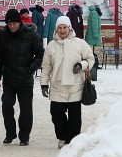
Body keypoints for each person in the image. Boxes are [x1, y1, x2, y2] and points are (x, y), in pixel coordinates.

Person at [40, 16, 94, 149]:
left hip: (75, 85)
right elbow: (46, 67)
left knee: (75, 117)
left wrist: (81, 65)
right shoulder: (51, 46)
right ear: (56, 29)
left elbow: (91, 59)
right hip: (57, 87)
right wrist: (44, 83)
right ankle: (62, 137)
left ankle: (72, 141)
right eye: (60, 27)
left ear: (70, 28)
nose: (62, 30)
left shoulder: (80, 43)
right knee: (56, 115)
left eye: (65, 27)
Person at [0, 9, 44, 146]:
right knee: (7, 105)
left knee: (26, 109)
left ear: (19, 22)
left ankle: (24, 136)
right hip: (9, 79)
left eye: (14, 23)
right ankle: (10, 134)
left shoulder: (30, 35)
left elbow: (40, 54)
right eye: (9, 24)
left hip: (25, 79)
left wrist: (30, 69)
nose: (12, 26)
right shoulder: (3, 35)